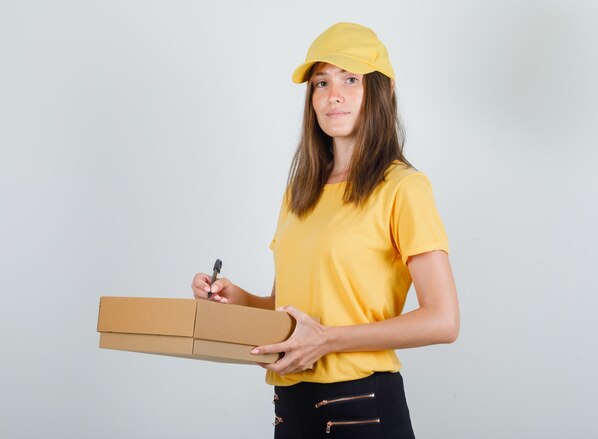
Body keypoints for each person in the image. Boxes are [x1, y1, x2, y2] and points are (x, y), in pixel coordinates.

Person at [192, 22, 460, 439]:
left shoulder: (403, 187)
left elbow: (443, 320)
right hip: (290, 409)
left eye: (350, 79)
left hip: (361, 407)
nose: (333, 94)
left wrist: (328, 340)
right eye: (321, 82)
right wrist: (235, 299)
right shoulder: (300, 193)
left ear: (382, 91)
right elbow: (289, 309)